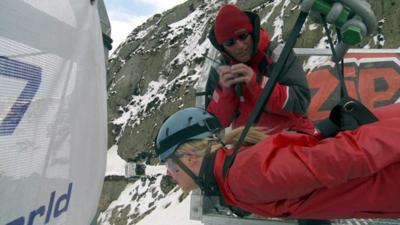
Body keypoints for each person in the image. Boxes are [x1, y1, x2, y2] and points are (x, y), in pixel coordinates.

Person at [154, 104, 400, 220]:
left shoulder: (242, 177)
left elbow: (346, 156)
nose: (170, 174)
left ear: (191, 157)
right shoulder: (232, 174)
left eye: (171, 166)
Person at [206, 4, 314, 135]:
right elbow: (216, 123)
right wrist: (226, 92)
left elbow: (300, 102)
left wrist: (257, 83)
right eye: (230, 43)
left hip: (289, 134)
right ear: (222, 47)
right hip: (247, 143)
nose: (239, 46)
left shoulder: (278, 55)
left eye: (243, 36)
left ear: (252, 32)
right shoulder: (220, 70)